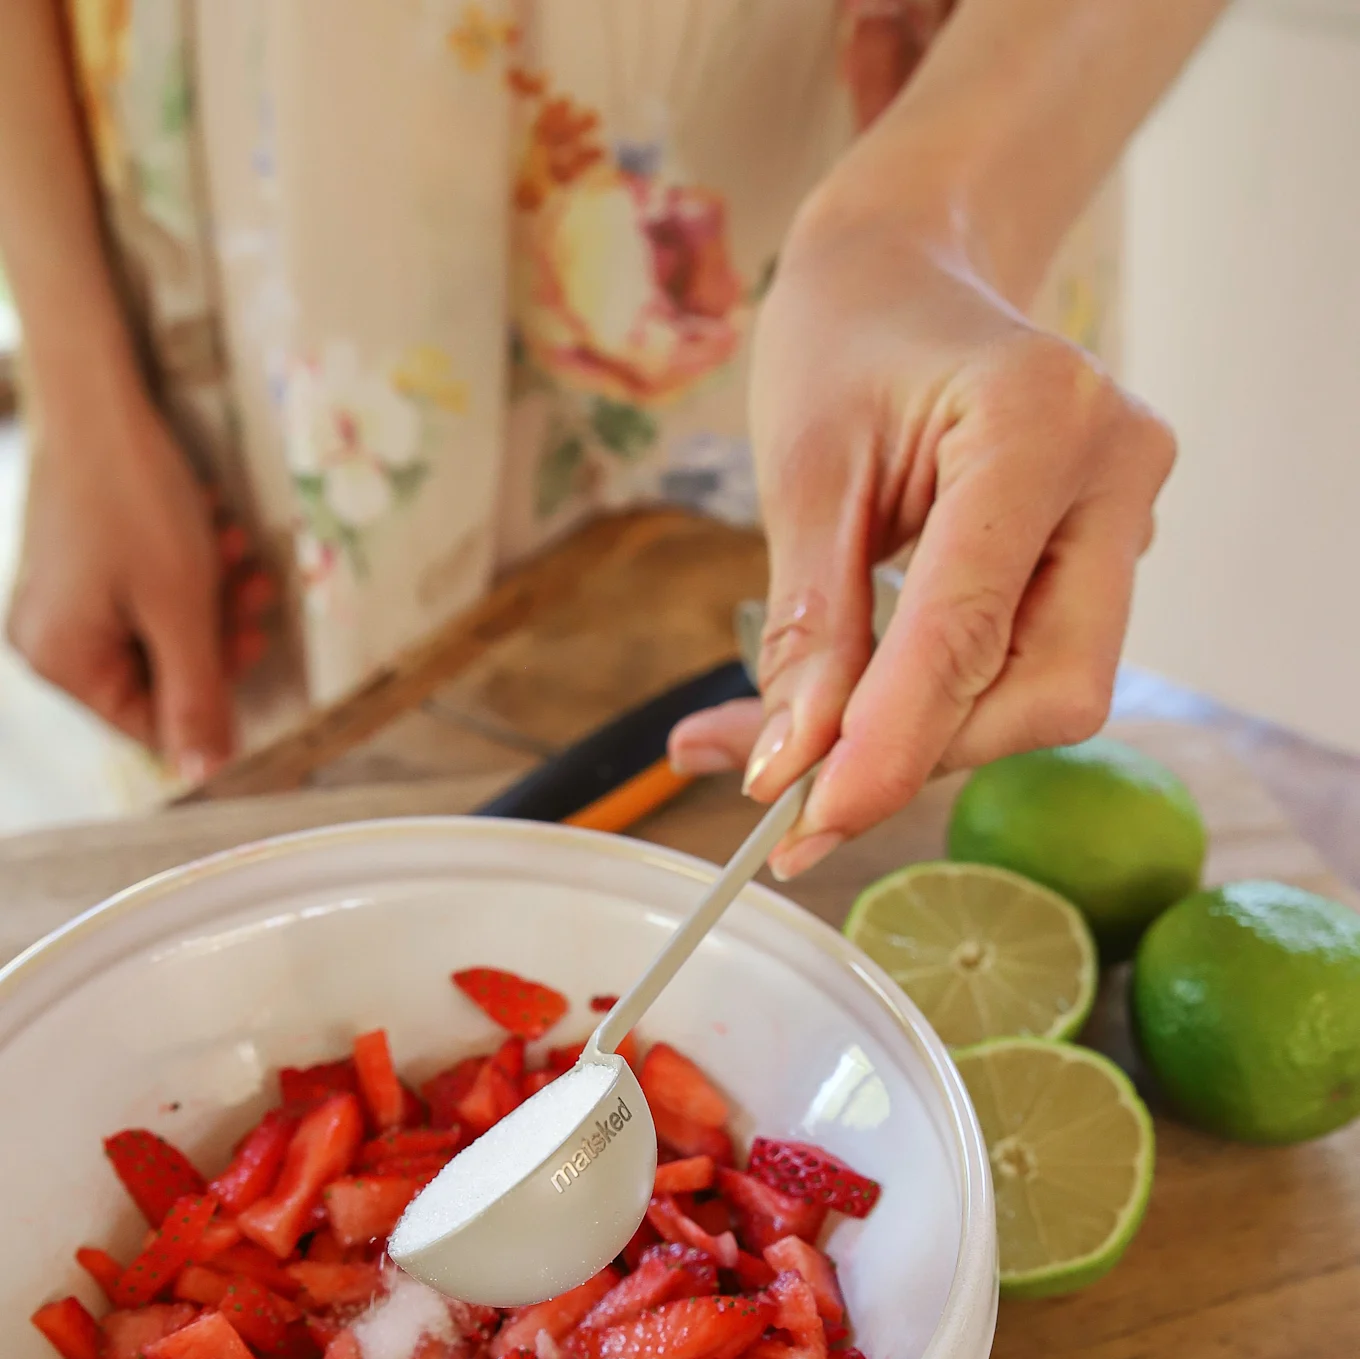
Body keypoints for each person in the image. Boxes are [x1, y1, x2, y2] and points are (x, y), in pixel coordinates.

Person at [0, 0, 1225, 873]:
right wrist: (77, 386)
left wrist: (916, 225)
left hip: (888, 134)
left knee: (886, 749)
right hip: (251, 176)